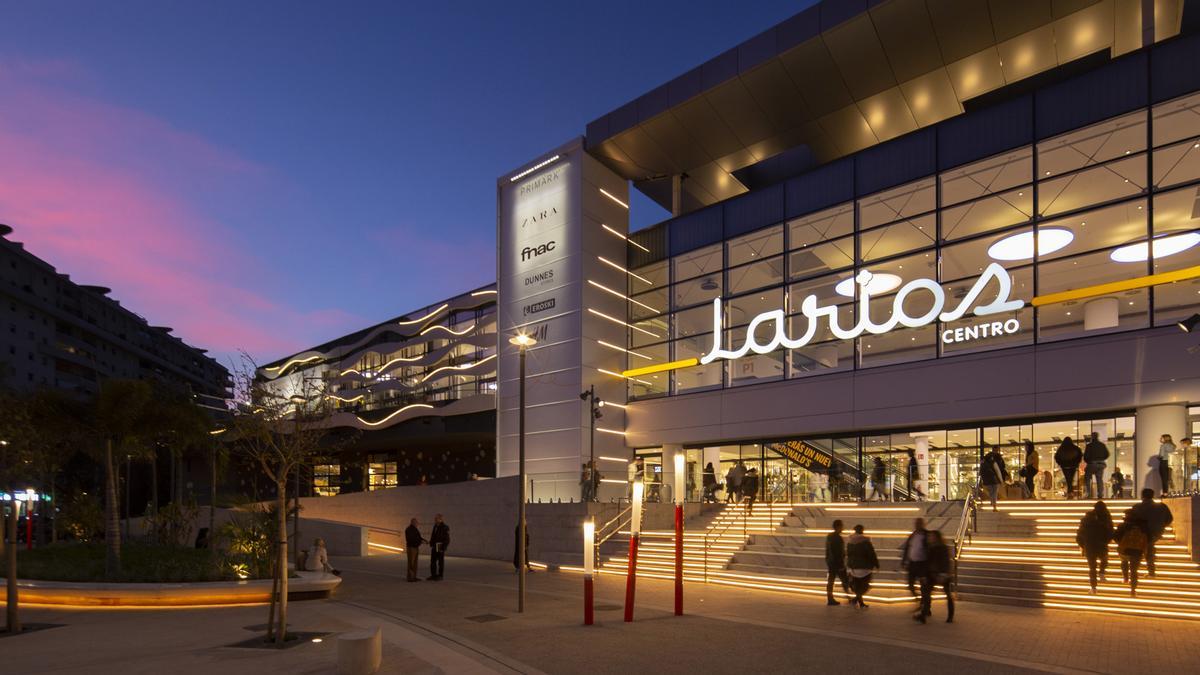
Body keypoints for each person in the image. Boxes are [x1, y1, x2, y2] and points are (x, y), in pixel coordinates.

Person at [1127, 488, 1173, 578]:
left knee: (1138, 553)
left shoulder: (1137, 507)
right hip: (1155, 533)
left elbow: (1131, 520)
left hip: (1140, 533)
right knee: (1150, 550)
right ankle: (1151, 571)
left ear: (1142, 496)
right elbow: (1169, 519)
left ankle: (1134, 572)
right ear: (1152, 495)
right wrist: (1161, 526)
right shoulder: (1162, 506)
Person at [1075, 502, 1114, 594]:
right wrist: (1106, 541)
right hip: (1101, 545)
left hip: (1089, 546)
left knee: (1092, 568)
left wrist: (1083, 545)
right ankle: (1102, 573)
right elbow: (1110, 532)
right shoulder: (1105, 519)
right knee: (1104, 560)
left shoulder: (1086, 520)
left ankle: (1093, 588)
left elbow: (1079, 535)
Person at [900, 518, 931, 622]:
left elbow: (930, 550)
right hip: (912, 564)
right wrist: (904, 561)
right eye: (916, 523)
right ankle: (919, 601)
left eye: (919, 523)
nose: (917, 525)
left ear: (923, 524)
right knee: (910, 584)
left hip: (923, 565)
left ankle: (926, 608)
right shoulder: (913, 535)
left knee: (924, 588)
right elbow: (908, 548)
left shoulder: (927, 535)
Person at [1115, 514, 1149, 596]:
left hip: (1125, 550)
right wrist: (1145, 552)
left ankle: (1125, 577)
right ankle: (1133, 590)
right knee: (1134, 571)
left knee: (1124, 562)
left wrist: (1120, 544)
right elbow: (1147, 541)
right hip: (1137, 551)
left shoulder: (1124, 526)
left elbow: (1116, 537)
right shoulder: (1143, 528)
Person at [846, 524, 879, 609]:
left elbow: (848, 554)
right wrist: (876, 564)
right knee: (865, 586)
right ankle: (856, 599)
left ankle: (860, 603)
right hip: (865, 568)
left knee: (857, 587)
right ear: (862, 530)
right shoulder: (866, 541)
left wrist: (849, 565)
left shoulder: (850, 541)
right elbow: (871, 554)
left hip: (853, 567)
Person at [926, 529, 955, 623]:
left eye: (932, 536)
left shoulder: (943, 547)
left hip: (943, 574)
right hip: (933, 574)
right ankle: (924, 612)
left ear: (936, 537)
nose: (930, 538)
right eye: (930, 536)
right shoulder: (931, 547)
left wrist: (944, 574)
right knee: (927, 593)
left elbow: (946, 561)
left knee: (948, 595)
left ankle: (950, 616)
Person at [824, 519, 849, 605]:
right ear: (838, 527)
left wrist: (828, 560)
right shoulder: (837, 538)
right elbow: (837, 552)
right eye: (841, 526)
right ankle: (849, 597)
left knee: (831, 581)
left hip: (831, 562)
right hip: (837, 563)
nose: (842, 528)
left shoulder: (830, 536)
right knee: (845, 580)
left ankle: (830, 599)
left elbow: (828, 551)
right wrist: (841, 564)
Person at [979, 447, 1009, 511]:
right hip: (994, 480)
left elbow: (980, 473)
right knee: (994, 493)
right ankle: (994, 507)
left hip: (986, 481)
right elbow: (998, 471)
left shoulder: (983, 463)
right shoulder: (993, 462)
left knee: (991, 492)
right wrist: (1001, 481)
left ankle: (992, 502)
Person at [1082, 433, 1109, 500]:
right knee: (1099, 479)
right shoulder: (1102, 445)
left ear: (1092, 437)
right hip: (1101, 464)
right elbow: (1107, 454)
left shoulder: (1089, 446)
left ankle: (1088, 493)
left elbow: (1085, 456)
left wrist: (1088, 461)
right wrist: (1101, 459)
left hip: (1092, 463)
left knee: (1087, 477)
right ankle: (1100, 494)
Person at [428, 514, 450, 580]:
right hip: (434, 546)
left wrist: (443, 547)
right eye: (435, 518)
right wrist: (431, 543)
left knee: (440, 562)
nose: (435, 520)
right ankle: (433, 575)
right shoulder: (435, 526)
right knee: (433, 561)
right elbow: (433, 536)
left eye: (436, 518)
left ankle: (440, 575)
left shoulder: (445, 527)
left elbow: (447, 539)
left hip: (440, 545)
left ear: (441, 519)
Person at [405, 517, 426, 582]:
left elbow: (418, 537)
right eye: (416, 522)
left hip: (415, 547)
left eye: (417, 522)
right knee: (411, 563)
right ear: (412, 522)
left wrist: (424, 540)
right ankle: (410, 578)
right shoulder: (409, 529)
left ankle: (414, 577)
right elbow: (411, 539)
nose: (417, 524)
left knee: (415, 563)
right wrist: (420, 541)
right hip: (411, 548)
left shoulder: (415, 529)